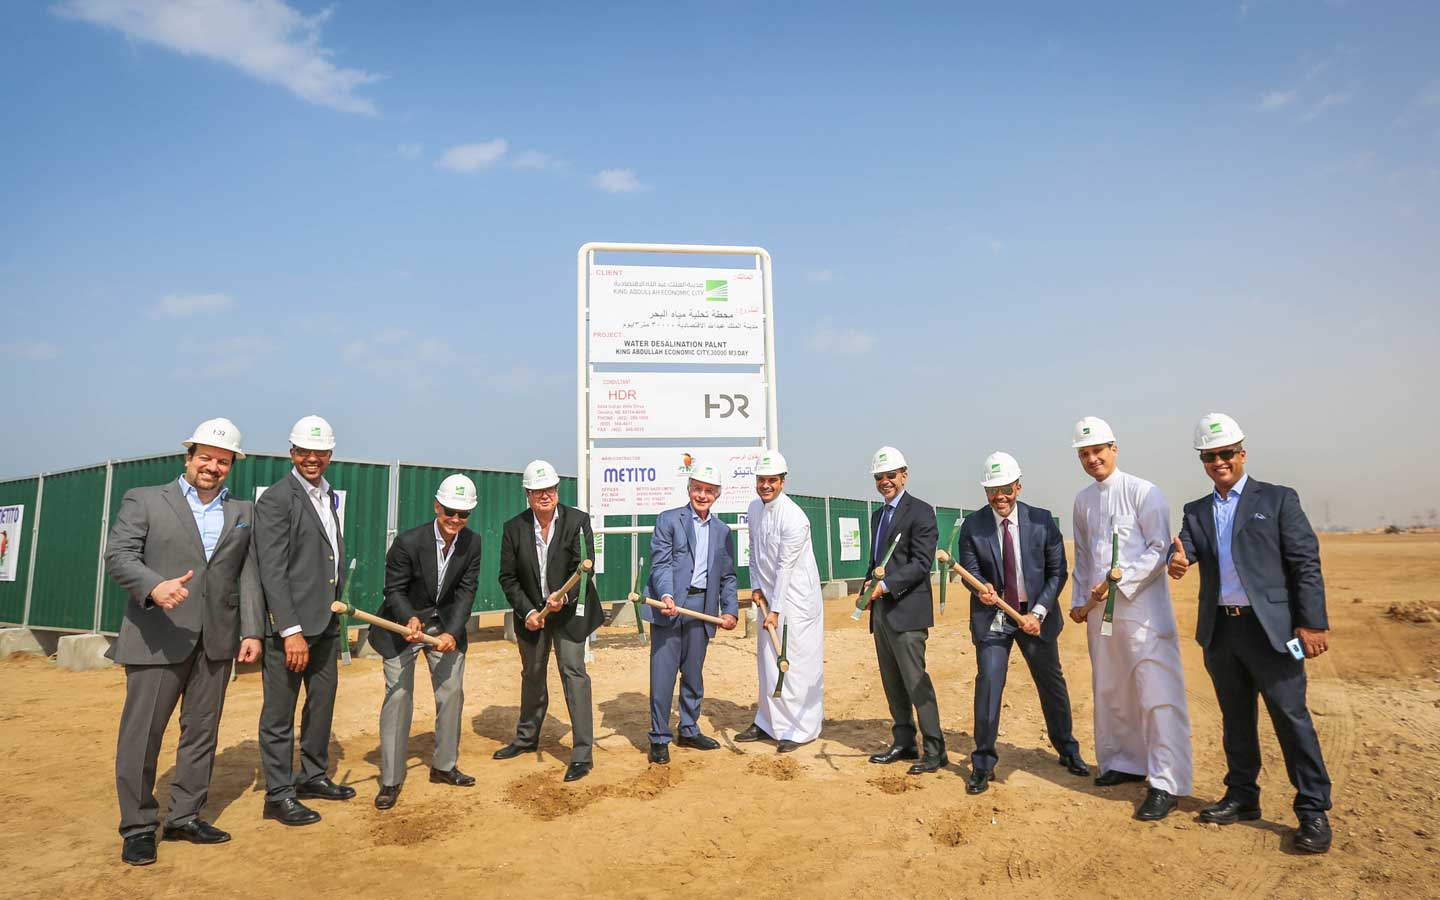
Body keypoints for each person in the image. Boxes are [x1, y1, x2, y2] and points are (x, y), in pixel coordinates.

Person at [1169, 413, 1333, 853]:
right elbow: (1186, 547)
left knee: (1291, 718)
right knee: (1236, 719)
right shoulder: (1197, 510)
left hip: (1272, 632)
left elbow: (1304, 562)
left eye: (1226, 454)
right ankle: (1242, 796)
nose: (1219, 462)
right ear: (1203, 461)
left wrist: (1312, 622)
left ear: (1242, 453)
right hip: (1223, 631)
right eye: (1210, 456)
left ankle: (1313, 810)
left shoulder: (1278, 499)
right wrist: (1177, 559)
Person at [104, 418, 263, 866]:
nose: (213, 466)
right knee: (142, 735)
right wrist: (153, 587)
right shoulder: (146, 500)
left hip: (216, 640)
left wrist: (251, 629)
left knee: (201, 732)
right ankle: (137, 826)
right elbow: (119, 555)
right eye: (206, 457)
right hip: (159, 636)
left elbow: (246, 575)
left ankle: (185, 816)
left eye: (223, 461)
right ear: (188, 457)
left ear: (232, 465)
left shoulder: (243, 513)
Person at [1069, 416, 1193, 820]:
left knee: (1156, 695)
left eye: (1097, 451)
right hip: (1099, 616)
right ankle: (1123, 763)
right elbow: (1084, 557)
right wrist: (1078, 600)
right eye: (1084, 453)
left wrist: (1118, 585)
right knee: (1111, 690)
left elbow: (1159, 549)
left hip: (1142, 612)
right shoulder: (1083, 501)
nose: (1092, 459)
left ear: (1113, 448)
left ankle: (1165, 783)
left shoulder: (1145, 492)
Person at [957, 451, 1088, 795]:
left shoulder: (1043, 522)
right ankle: (983, 762)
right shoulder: (974, 525)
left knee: (1051, 684)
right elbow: (969, 568)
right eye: (991, 490)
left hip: (1035, 616)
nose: (999, 497)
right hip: (994, 616)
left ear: (1018, 485)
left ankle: (1067, 749)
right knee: (989, 684)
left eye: (1005, 488)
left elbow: (1058, 572)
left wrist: (1039, 613)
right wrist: (979, 586)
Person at [254, 414, 353, 826]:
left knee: (321, 704)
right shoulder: (277, 499)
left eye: (320, 452)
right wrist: (288, 629)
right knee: (280, 713)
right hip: (292, 631)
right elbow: (272, 570)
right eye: (304, 451)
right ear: (292, 452)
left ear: (330, 454)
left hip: (325, 624)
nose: (312, 458)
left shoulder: (326, 496)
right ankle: (278, 794)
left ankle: (312, 775)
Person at [371, 473, 483, 809]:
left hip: (444, 626)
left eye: (463, 514)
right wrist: (410, 619)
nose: (455, 520)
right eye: (450, 511)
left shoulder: (472, 543)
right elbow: (393, 590)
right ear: (437, 506)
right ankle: (391, 779)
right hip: (402, 627)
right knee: (399, 697)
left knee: (451, 695)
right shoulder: (408, 542)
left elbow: (466, 591)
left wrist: (451, 631)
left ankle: (444, 766)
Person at [495, 460, 605, 782]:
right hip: (532, 615)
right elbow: (507, 577)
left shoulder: (577, 521)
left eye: (551, 489)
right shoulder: (513, 528)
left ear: (557, 490)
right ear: (528, 494)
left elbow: (585, 568)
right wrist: (528, 611)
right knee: (532, 673)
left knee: (573, 672)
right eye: (538, 490)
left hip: (570, 613)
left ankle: (582, 753)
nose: (546, 495)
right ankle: (526, 738)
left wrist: (564, 598)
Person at [642, 461, 739, 764]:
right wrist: (667, 595)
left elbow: (727, 576)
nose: (702, 495)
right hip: (669, 607)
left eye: (709, 490)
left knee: (693, 675)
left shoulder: (722, 531)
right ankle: (659, 737)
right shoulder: (669, 520)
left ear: (717, 495)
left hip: (702, 609)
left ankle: (688, 728)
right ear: (689, 489)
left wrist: (731, 610)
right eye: (697, 488)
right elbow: (661, 564)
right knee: (663, 675)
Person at [863, 446, 945, 775]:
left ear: (904, 475)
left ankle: (936, 750)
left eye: (891, 475)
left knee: (916, 682)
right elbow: (877, 562)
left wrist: (883, 587)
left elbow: (920, 564)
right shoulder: (877, 516)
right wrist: (870, 585)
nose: (885, 481)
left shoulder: (921, 512)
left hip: (907, 612)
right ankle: (905, 741)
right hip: (881, 612)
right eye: (879, 477)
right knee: (892, 681)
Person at [735, 450, 824, 752]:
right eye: (761, 480)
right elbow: (754, 551)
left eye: (772, 480)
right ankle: (767, 722)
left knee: (795, 664)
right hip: (769, 598)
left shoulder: (795, 518)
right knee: (768, 662)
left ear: (783, 482)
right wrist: (756, 587)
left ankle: (800, 729)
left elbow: (785, 567)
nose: (766, 486)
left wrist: (776, 610)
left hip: (796, 602)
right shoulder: (753, 508)